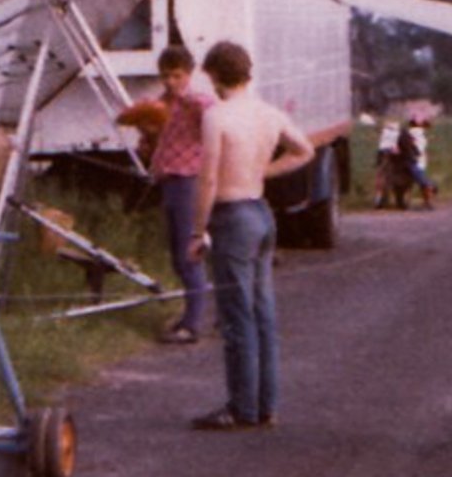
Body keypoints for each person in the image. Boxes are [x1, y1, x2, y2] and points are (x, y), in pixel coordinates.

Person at [188, 40, 314, 431]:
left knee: (237, 317)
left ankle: (241, 407)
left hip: (232, 216)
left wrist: (197, 230)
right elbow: (304, 150)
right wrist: (264, 172)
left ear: (215, 76)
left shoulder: (217, 116)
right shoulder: (269, 113)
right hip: (260, 211)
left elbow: (208, 179)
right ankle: (266, 405)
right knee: (262, 314)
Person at [122, 44, 213, 344]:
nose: (171, 82)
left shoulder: (198, 102)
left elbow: (215, 120)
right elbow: (152, 148)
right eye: (165, 76)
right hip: (169, 182)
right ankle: (191, 315)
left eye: (176, 76)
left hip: (190, 181)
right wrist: (147, 136)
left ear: (189, 74)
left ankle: (192, 324)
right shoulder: (160, 105)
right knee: (177, 255)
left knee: (189, 254)